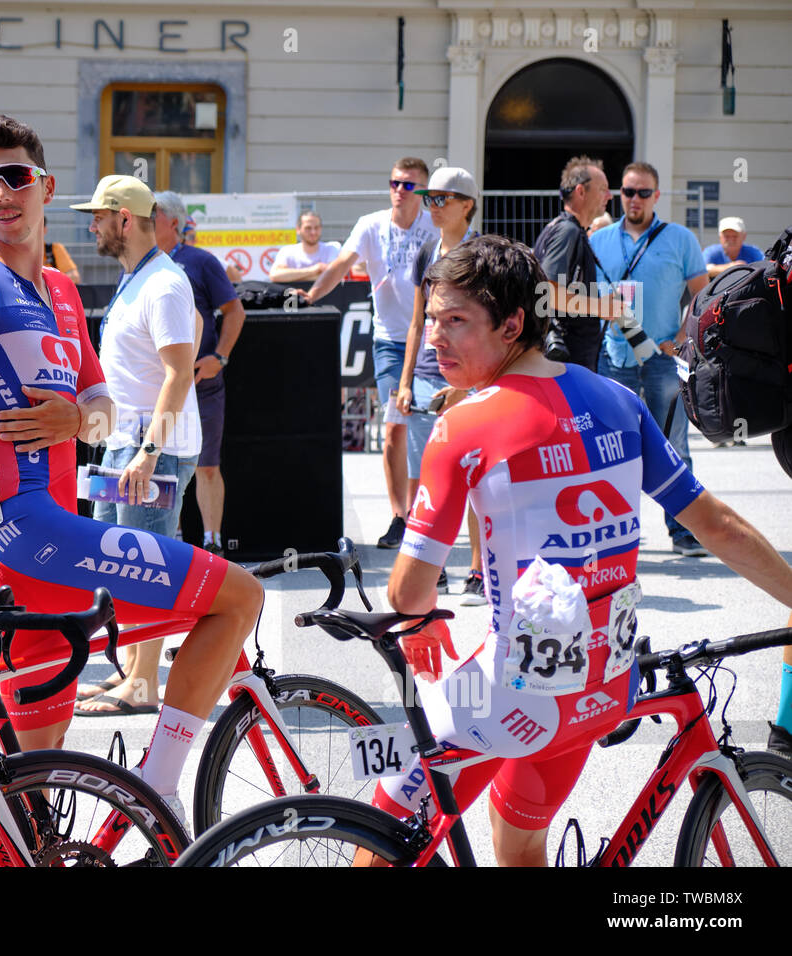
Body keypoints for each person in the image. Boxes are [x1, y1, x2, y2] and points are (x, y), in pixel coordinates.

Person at [0, 114, 262, 823]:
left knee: (36, 769)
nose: (2, 193)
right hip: (24, 532)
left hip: (48, 541)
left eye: (15, 177)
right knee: (238, 599)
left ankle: (98, 814)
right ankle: (157, 793)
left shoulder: (61, 290)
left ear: (45, 185)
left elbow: (105, 410)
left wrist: (72, 422)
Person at [373, 234, 792, 866]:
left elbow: (406, 594)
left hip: (511, 693)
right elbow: (718, 525)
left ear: (513, 323)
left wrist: (418, 622)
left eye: (455, 321)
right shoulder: (620, 401)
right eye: (431, 318)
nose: (434, 337)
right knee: (517, 837)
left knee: (385, 812)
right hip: (605, 690)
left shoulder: (463, 427)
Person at [72, 181, 204, 717]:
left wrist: (150, 450)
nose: (91, 227)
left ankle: (144, 684)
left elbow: (179, 373)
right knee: (116, 568)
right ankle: (132, 675)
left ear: (125, 220)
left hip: (154, 448)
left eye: (99, 216)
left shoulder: (164, 283)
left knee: (144, 568)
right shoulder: (140, 277)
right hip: (129, 444)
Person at [305, 158, 436, 549]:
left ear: (423, 192)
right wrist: (310, 295)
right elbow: (341, 265)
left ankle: (426, 514)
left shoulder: (434, 226)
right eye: (394, 182)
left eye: (409, 185)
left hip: (432, 339)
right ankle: (401, 515)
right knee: (395, 426)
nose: (399, 190)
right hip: (390, 342)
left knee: (427, 431)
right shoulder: (370, 225)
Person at [590, 162, 709, 557]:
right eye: (628, 192)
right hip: (615, 356)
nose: (635, 199)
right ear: (618, 195)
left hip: (661, 356)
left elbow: (701, 296)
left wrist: (678, 340)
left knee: (673, 444)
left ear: (657, 196)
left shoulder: (680, 239)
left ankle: (683, 531)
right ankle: (614, 530)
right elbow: (584, 296)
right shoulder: (600, 239)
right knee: (612, 446)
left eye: (643, 193)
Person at [396, 166, 481, 601]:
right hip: (429, 377)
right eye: (428, 198)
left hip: (473, 379)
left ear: (467, 204)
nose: (432, 206)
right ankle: (435, 569)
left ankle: (478, 572)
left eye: (441, 198)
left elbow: (487, 327)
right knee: (428, 479)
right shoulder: (426, 247)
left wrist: (467, 388)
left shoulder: (483, 254)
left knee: (477, 479)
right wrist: (406, 381)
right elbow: (415, 323)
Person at [152, 190, 245, 557]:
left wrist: (219, 358)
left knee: (206, 465)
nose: (145, 220)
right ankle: (169, 541)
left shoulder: (201, 262)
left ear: (173, 222)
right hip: (158, 386)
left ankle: (212, 541)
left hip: (200, 385)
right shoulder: (141, 265)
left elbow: (235, 311)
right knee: (163, 463)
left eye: (153, 215)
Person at [532, 156, 625, 372]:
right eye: (603, 189)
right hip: (565, 364)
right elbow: (547, 292)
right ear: (581, 191)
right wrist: (600, 307)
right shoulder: (567, 231)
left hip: (568, 361)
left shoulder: (570, 230)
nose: (610, 196)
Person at [268, 211, 340, 283]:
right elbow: (274, 275)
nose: (313, 232)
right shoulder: (287, 251)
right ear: (298, 229)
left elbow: (333, 276)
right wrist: (314, 270)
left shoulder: (332, 248)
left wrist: (291, 276)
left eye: (316, 227)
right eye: (308, 228)